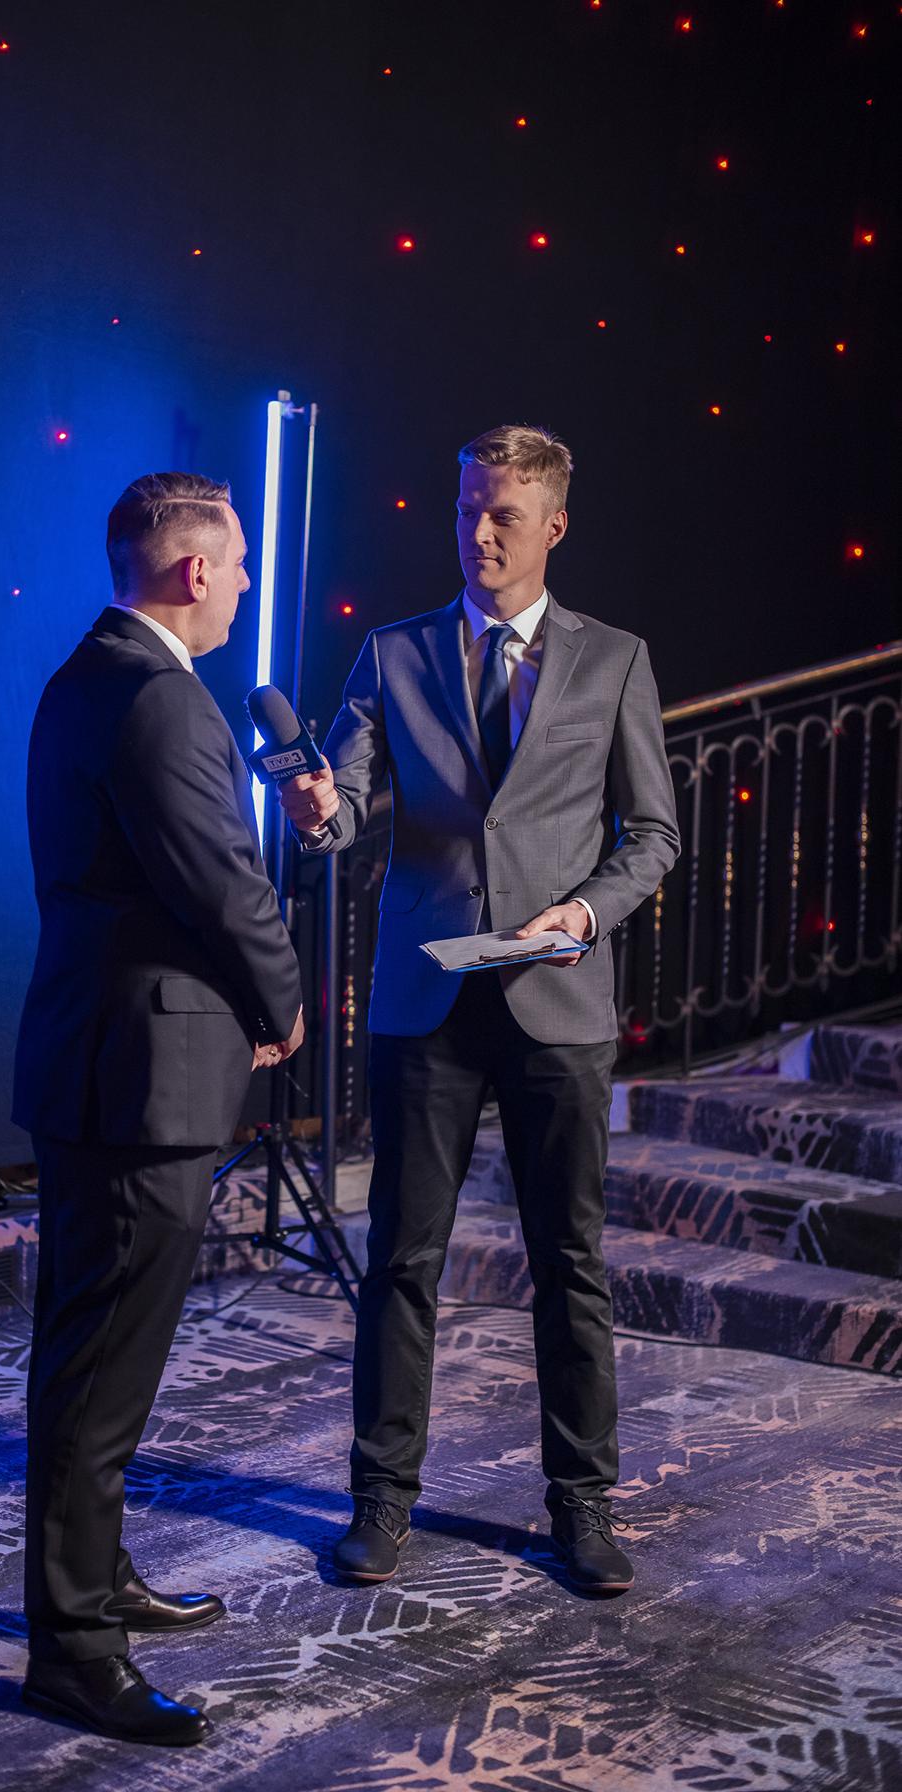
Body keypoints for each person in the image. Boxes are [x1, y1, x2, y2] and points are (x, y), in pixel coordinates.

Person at [278, 425, 680, 1597]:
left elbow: (651, 834)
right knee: (400, 1259)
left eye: (502, 512)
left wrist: (584, 912)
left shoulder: (615, 659)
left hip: (558, 996)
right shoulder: (391, 651)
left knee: (569, 1262)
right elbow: (344, 804)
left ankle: (580, 1506)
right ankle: (379, 1499)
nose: (479, 531)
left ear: (553, 525)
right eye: (466, 508)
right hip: (425, 1000)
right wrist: (317, 810)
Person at [13, 472, 303, 1745]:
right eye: (234, 566)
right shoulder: (160, 698)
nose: (240, 585)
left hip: (97, 1061)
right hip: (140, 1077)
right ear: (193, 571)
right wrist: (285, 1000)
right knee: (100, 1367)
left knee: (90, 1353)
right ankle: (75, 1650)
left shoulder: (84, 675)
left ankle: (96, 1577)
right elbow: (223, 886)